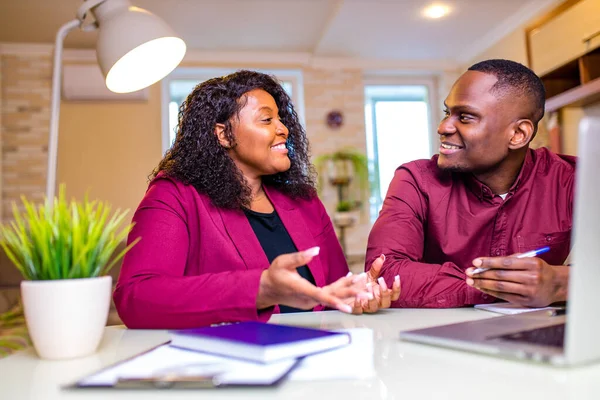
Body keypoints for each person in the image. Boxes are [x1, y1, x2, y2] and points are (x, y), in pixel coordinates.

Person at [114, 70, 400, 329]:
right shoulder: (174, 195)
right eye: (266, 119)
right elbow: (137, 298)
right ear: (224, 135)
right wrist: (260, 289)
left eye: (280, 118)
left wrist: (356, 294)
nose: (283, 129)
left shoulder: (304, 201)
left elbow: (333, 291)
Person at [366, 59, 574, 309]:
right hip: (437, 339)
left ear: (518, 135)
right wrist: (507, 287)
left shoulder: (573, 180)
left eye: (465, 117)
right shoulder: (415, 180)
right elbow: (385, 272)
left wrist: (559, 282)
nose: (443, 127)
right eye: (447, 113)